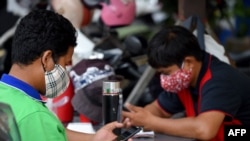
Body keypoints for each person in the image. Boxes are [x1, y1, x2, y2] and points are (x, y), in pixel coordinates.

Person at [0, 9, 125, 141]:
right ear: (47, 59)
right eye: (65, 64)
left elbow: (51, 129)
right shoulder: (35, 116)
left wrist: (95, 138)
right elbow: (41, 125)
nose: (65, 71)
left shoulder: (6, 93)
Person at [122, 26, 250, 141]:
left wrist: (153, 123)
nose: (164, 78)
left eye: (166, 72)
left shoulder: (219, 80)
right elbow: (158, 109)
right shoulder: (185, 79)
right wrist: (138, 119)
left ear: (188, 62)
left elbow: (205, 130)